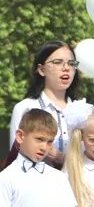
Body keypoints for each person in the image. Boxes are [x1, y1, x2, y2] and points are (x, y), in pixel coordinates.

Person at [8, 41, 80, 169]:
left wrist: (59, 157)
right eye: (57, 62)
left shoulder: (83, 110)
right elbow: (16, 159)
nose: (66, 68)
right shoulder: (26, 108)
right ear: (41, 70)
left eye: (71, 63)